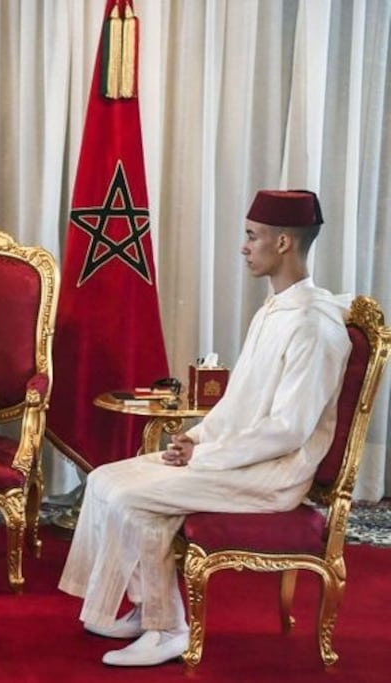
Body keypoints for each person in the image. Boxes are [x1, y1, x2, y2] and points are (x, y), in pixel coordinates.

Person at [58, 189, 353, 667]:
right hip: (234, 456)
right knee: (104, 478)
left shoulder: (314, 327)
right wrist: (195, 438)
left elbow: (288, 430)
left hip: (274, 473)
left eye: (251, 236)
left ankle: (169, 629)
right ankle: (144, 609)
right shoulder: (274, 311)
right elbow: (239, 402)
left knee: (135, 500)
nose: (244, 246)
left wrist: (206, 456)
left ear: (283, 243)